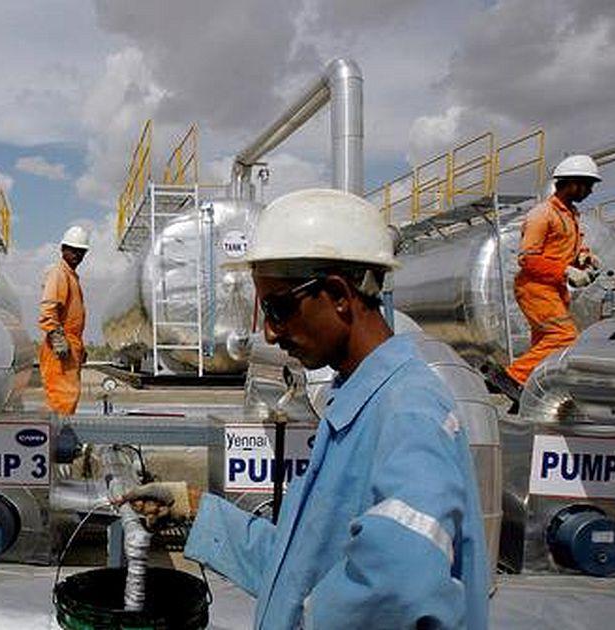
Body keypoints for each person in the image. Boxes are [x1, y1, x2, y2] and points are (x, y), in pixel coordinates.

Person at [124, 189, 490, 629]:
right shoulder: (357, 403)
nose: (269, 333)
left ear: (337, 294)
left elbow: (396, 585)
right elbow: (297, 570)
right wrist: (197, 509)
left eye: (277, 308)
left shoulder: (408, 411)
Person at [494, 155, 602, 398]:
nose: (590, 191)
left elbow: (563, 248)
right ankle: (512, 377)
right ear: (571, 183)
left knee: (545, 342)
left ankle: (531, 388)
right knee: (564, 336)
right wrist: (566, 271)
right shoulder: (542, 214)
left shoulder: (571, 215)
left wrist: (584, 257)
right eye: (587, 185)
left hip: (554, 289)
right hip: (535, 287)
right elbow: (527, 259)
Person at [38, 225, 89, 415]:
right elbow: (48, 307)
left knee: (68, 398)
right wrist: (56, 336)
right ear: (62, 249)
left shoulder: (70, 276)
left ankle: (61, 431)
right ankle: (60, 433)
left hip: (70, 346)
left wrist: (79, 348)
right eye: (73, 250)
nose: (77, 254)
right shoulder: (59, 273)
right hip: (60, 349)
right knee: (62, 399)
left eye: (81, 251)